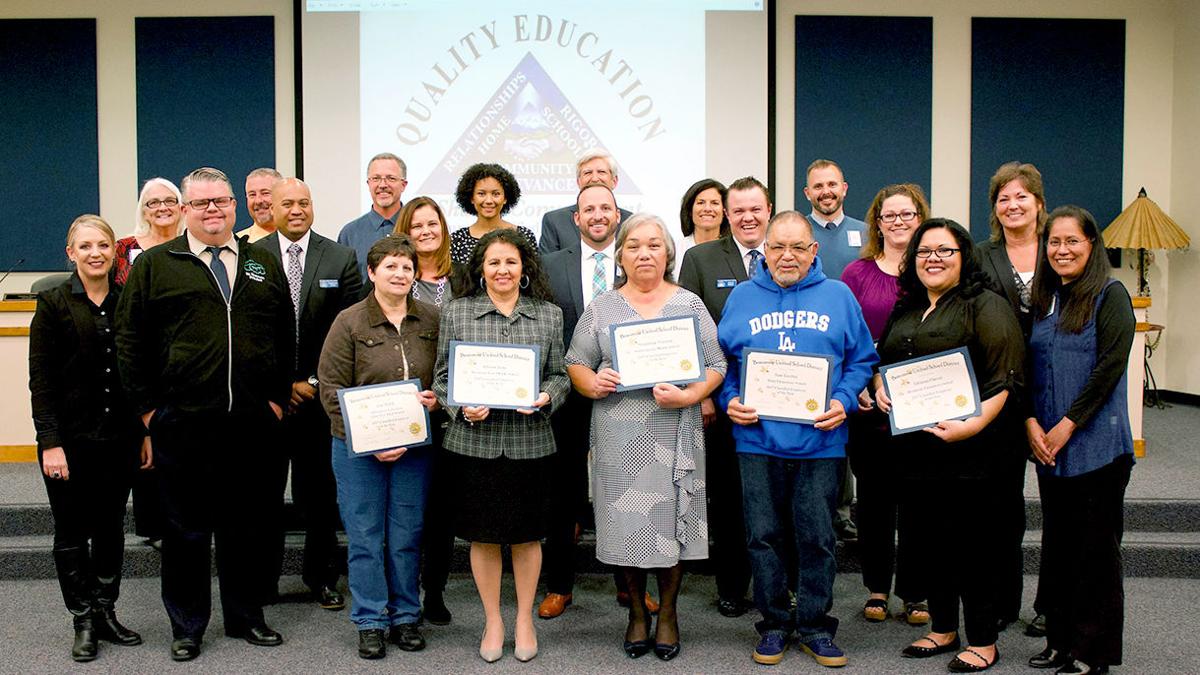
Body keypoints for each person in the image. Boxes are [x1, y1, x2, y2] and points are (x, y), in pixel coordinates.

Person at [116, 167, 295, 662]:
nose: (212, 210)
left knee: (247, 526)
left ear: (234, 205)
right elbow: (130, 342)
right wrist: (150, 411)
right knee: (185, 530)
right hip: (183, 422)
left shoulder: (262, 262)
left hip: (251, 423)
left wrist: (277, 399)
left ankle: (245, 617)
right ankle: (188, 625)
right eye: (201, 203)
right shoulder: (155, 264)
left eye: (221, 201)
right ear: (185, 210)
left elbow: (284, 334)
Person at [717, 211, 876, 668]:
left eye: (796, 248)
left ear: (813, 251)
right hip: (756, 439)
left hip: (821, 442)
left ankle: (813, 625)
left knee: (816, 536)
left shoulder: (839, 296)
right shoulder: (744, 297)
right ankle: (772, 624)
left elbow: (862, 358)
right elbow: (724, 362)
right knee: (763, 536)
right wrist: (729, 399)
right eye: (777, 247)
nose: (786, 256)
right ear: (764, 252)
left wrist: (844, 401)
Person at [566, 213, 726, 661]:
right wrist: (590, 382)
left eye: (654, 245)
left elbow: (717, 364)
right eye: (634, 246)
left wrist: (691, 394)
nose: (644, 253)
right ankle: (637, 612)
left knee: (671, 526)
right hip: (619, 436)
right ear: (620, 256)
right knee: (628, 526)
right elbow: (576, 360)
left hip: (675, 432)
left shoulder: (690, 305)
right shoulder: (603, 306)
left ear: (667, 253)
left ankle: (669, 613)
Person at [874, 219, 1024, 673]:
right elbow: (886, 362)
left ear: (964, 257)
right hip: (917, 450)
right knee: (929, 541)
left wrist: (972, 426)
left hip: (971, 451)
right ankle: (942, 628)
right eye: (924, 252)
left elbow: (1006, 378)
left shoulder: (986, 306)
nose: (933, 259)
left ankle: (982, 638)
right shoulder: (908, 308)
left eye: (944, 250)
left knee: (973, 545)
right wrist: (879, 385)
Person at [433, 229, 569, 663]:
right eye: (493, 262)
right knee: (484, 537)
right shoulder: (457, 312)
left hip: (530, 443)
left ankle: (524, 618)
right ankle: (493, 620)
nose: (502, 270)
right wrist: (460, 406)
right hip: (474, 443)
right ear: (481, 269)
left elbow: (560, 374)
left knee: (528, 537)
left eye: (510, 262)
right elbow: (440, 378)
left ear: (524, 268)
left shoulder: (548, 315)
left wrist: (547, 396)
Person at [30, 215, 150, 662]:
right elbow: (40, 381)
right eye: (85, 247)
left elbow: (138, 377)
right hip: (70, 441)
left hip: (118, 440)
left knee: (111, 529)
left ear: (113, 251)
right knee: (71, 531)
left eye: (103, 245)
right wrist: (50, 442)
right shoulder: (53, 303)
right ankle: (81, 617)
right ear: (71, 253)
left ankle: (105, 611)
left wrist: (143, 433)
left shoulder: (127, 302)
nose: (95, 253)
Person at [540, 184, 659, 620]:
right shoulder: (549, 265)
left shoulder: (635, 261)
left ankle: (630, 587)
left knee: (627, 489)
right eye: (588, 209)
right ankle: (559, 586)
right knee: (564, 494)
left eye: (605, 208)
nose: (597, 215)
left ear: (617, 214)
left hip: (627, 396)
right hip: (567, 394)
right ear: (576, 217)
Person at [318, 234, 439, 659]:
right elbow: (330, 390)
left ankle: (406, 615)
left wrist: (437, 397)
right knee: (367, 536)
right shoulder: (349, 322)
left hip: (414, 449)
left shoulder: (431, 319)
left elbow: (443, 375)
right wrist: (368, 440)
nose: (400, 273)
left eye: (407, 267)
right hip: (357, 451)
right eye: (390, 266)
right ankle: (370, 619)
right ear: (372, 273)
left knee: (406, 534)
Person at [1025, 206, 1135, 675]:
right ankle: (1060, 639)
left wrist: (1067, 425)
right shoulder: (1045, 298)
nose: (1062, 250)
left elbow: (1109, 369)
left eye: (1072, 241)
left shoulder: (1111, 296)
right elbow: (1027, 366)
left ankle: (1094, 652)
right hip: (1048, 448)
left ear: (1092, 246)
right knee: (1059, 548)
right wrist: (1030, 422)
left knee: (1095, 552)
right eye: (1054, 242)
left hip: (1096, 447)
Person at [259, 178, 362, 611]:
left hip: (321, 401)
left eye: (304, 202)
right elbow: (248, 333)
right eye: (288, 203)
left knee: (320, 496)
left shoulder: (341, 257)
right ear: (272, 207)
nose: (296, 209)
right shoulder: (250, 258)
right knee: (262, 496)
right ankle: (263, 582)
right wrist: (280, 385)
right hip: (266, 401)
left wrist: (315, 383)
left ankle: (321, 577)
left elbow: (350, 330)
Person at [677, 176, 769, 618]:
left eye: (756, 210)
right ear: (728, 215)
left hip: (784, 403)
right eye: (740, 211)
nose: (748, 218)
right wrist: (701, 394)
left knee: (779, 496)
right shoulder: (701, 257)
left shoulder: (790, 252)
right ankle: (733, 585)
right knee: (731, 497)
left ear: (768, 211)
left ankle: (779, 583)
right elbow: (687, 328)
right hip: (723, 399)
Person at [841, 184, 930, 626]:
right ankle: (876, 586)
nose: (898, 222)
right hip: (868, 406)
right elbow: (843, 337)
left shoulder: (935, 268)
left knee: (918, 498)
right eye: (888, 215)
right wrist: (858, 381)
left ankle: (916, 592)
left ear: (920, 217)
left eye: (907, 215)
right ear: (877, 222)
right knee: (874, 500)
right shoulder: (855, 274)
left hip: (922, 402)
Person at [976, 161, 1048, 635]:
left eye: (1021, 196)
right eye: (1003, 198)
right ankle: (1002, 603)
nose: (1012, 205)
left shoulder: (1061, 249)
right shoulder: (982, 256)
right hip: (1001, 390)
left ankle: (1053, 605)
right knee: (1003, 509)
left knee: (1063, 509)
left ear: (1039, 204)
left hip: (1056, 387)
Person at [392, 196, 465, 625]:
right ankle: (401, 590)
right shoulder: (396, 274)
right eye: (416, 225)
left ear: (443, 229)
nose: (425, 231)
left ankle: (433, 590)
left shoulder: (462, 279)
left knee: (440, 508)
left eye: (432, 224)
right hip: (406, 407)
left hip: (451, 408)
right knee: (407, 506)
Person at [803, 159, 866, 543]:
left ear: (844, 188)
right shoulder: (797, 231)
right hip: (808, 351)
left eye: (832, 185)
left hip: (849, 348)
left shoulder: (866, 233)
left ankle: (843, 512)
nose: (826, 192)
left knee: (845, 437)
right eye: (817, 186)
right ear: (807, 193)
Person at [539, 150, 632, 255]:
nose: (595, 178)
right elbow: (546, 267)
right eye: (588, 173)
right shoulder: (554, 220)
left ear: (614, 181)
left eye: (601, 172)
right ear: (578, 182)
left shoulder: (630, 222)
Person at [449, 162, 537, 264]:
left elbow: (534, 275)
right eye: (481, 194)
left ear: (505, 198)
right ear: (471, 198)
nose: (489, 200)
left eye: (496, 194)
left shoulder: (524, 235)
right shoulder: (457, 240)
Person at [339, 152, 408, 281]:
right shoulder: (349, 233)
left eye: (391, 178)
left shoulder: (418, 228)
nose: (382, 185)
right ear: (368, 184)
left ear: (403, 185)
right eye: (376, 178)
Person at [115, 178, 184, 286]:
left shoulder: (192, 248)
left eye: (169, 201)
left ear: (181, 208)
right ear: (144, 212)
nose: (163, 208)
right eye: (154, 203)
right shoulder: (122, 248)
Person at [677, 178, 730, 260]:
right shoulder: (675, 250)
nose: (707, 209)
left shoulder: (734, 250)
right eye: (701, 203)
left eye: (714, 203)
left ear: (725, 211)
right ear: (690, 210)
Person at [235, 167, 283, 242]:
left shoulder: (298, 239)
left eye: (265, 193)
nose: (258, 201)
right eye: (252, 195)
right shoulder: (239, 244)